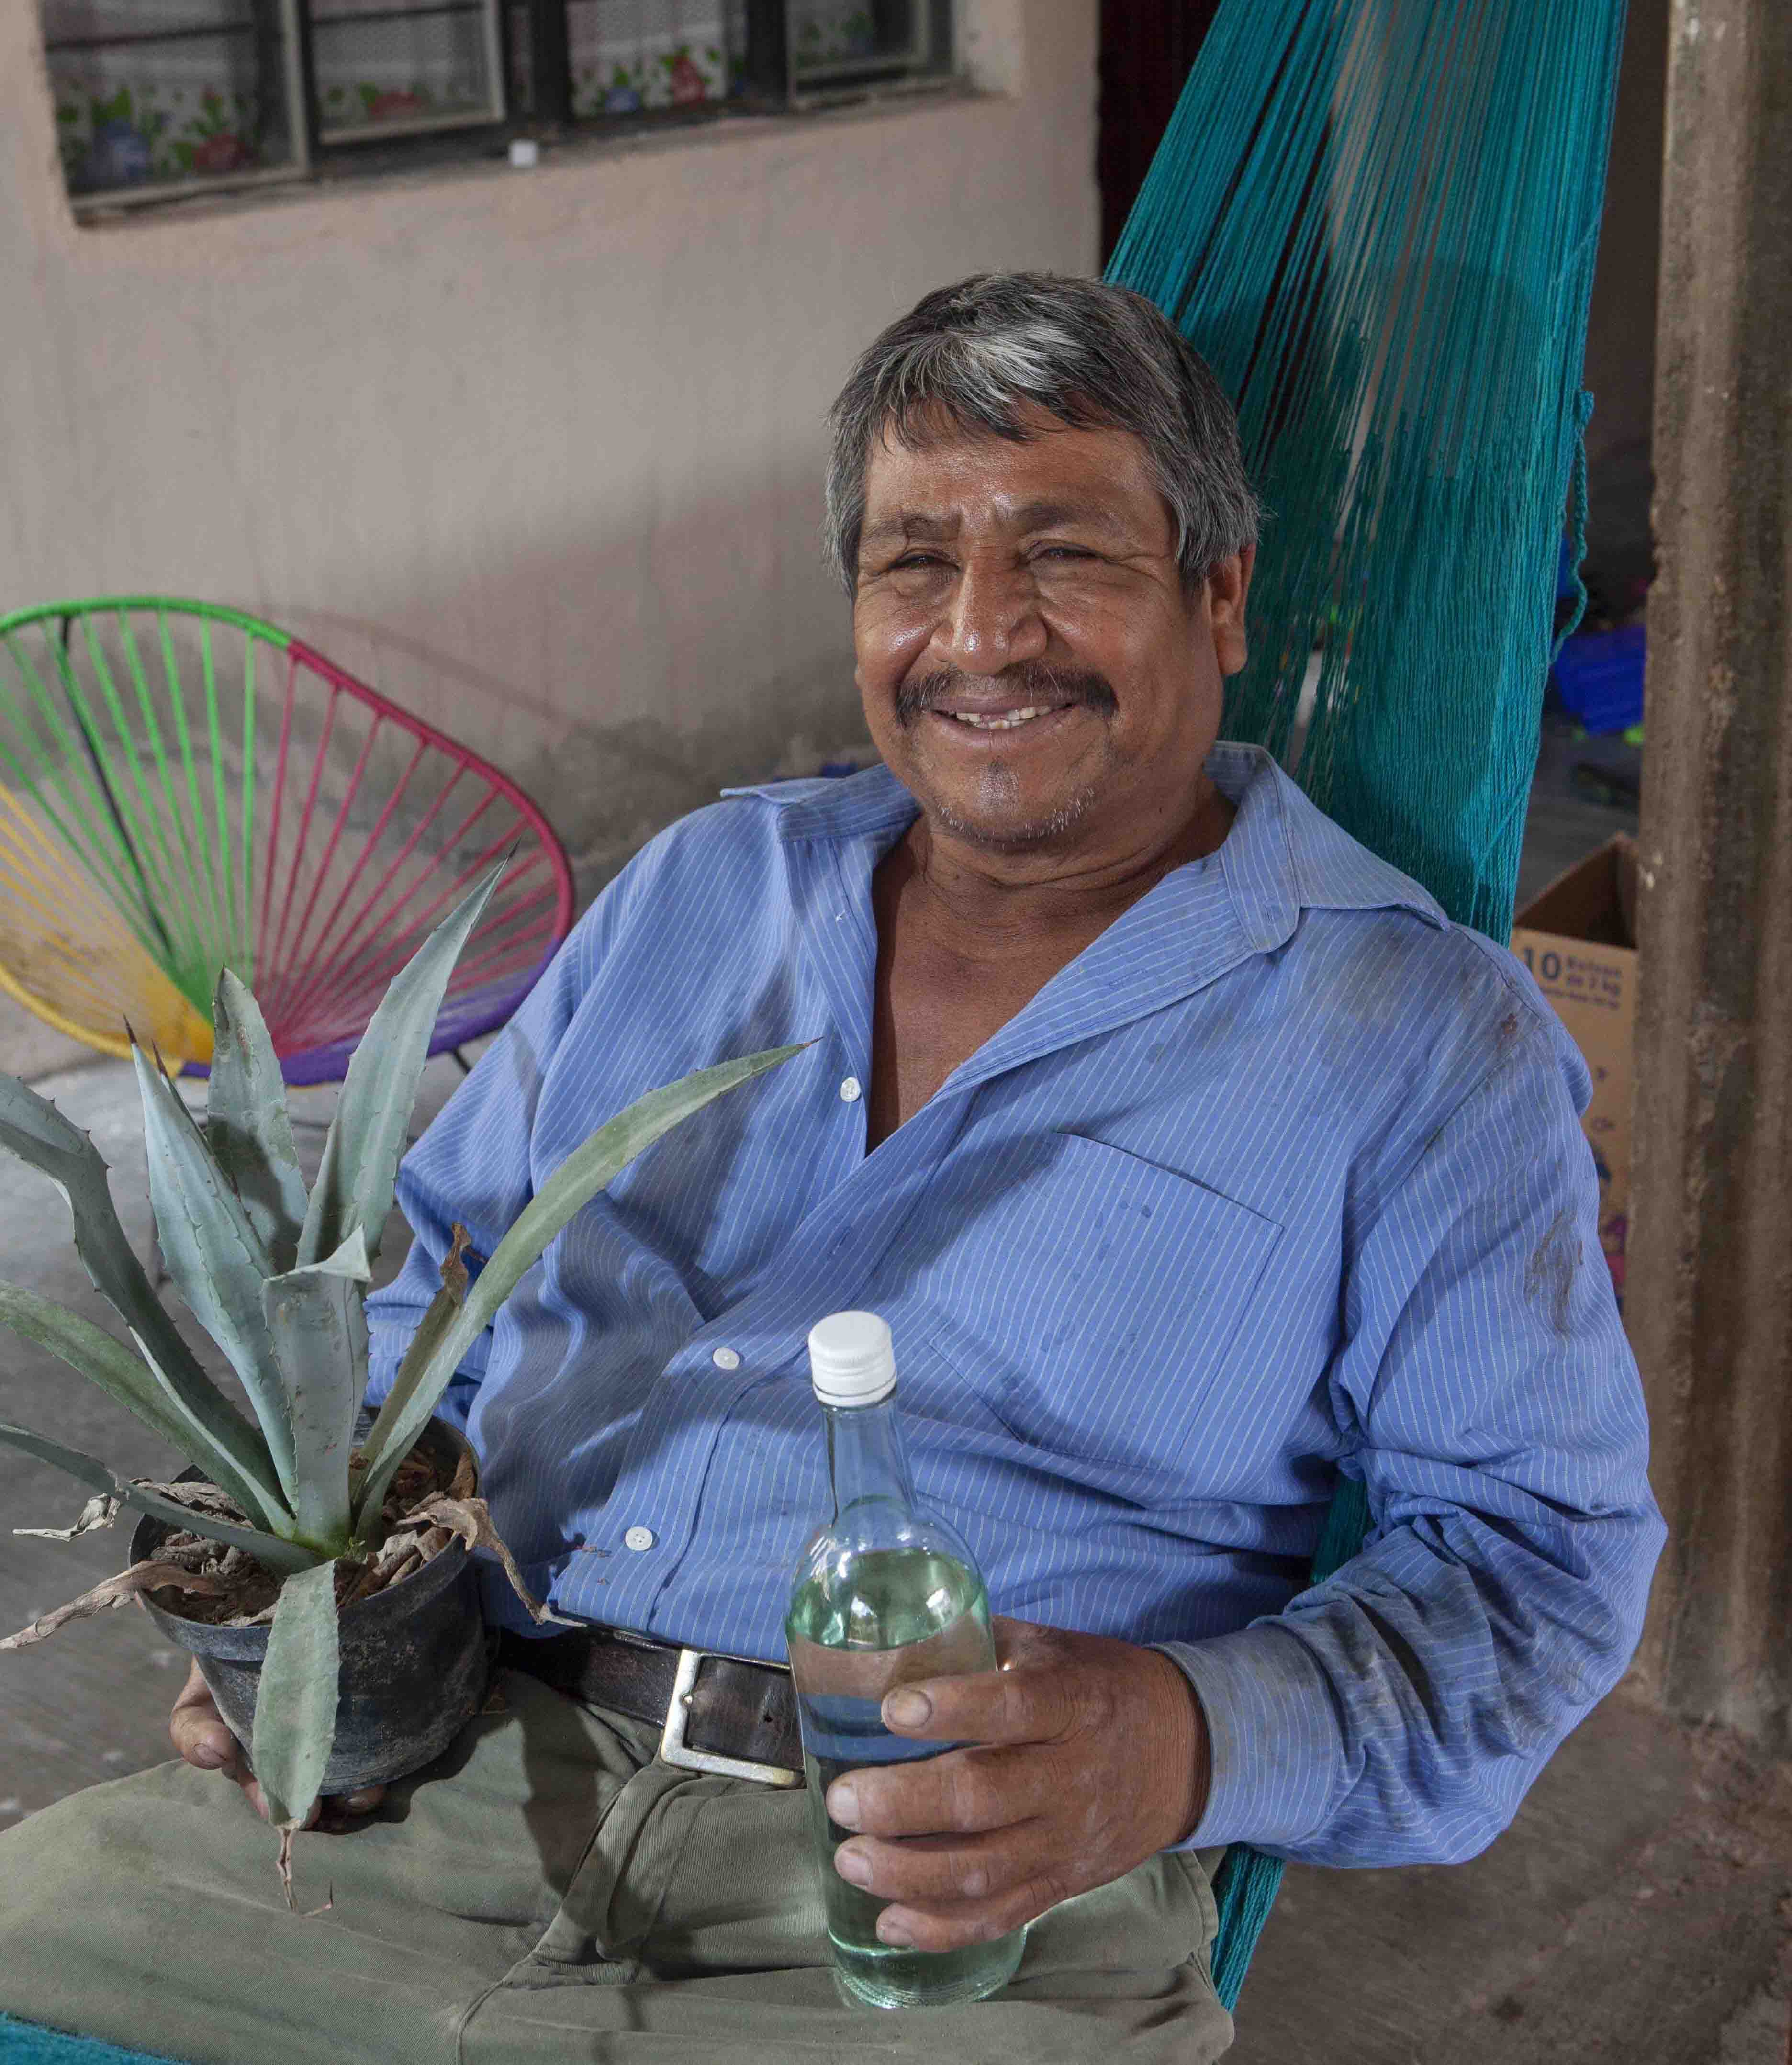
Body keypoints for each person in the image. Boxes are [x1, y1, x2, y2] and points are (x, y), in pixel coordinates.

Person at [0, 273, 1663, 2065]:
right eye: (909, 563)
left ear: (1222, 593)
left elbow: (1535, 1558)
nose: (982, 633)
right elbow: (426, 1297)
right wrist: (313, 1590)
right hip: (445, 1776)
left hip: (944, 1901)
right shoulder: (698, 895)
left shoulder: (1414, 1032)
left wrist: (1184, 1740)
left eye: (1068, 553)